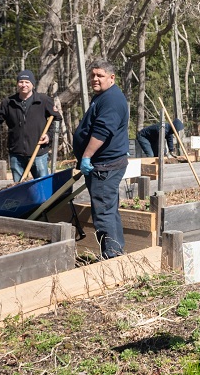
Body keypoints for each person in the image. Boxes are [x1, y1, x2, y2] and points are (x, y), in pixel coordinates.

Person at [73, 58, 130, 259]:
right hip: (106, 163)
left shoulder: (112, 99)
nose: (95, 79)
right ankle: (115, 252)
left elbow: (102, 131)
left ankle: (112, 256)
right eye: (93, 75)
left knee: (104, 213)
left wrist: (86, 156)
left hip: (105, 166)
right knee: (108, 209)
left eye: (100, 75)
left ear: (112, 78)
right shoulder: (104, 96)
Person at [0, 70, 61, 182]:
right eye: (21, 82)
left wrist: (49, 136)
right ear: (17, 84)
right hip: (17, 153)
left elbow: (57, 119)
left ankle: (45, 200)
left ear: (32, 84)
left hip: (38, 152)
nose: (23, 85)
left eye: (27, 82)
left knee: (43, 185)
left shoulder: (43, 101)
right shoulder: (9, 102)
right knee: (18, 187)